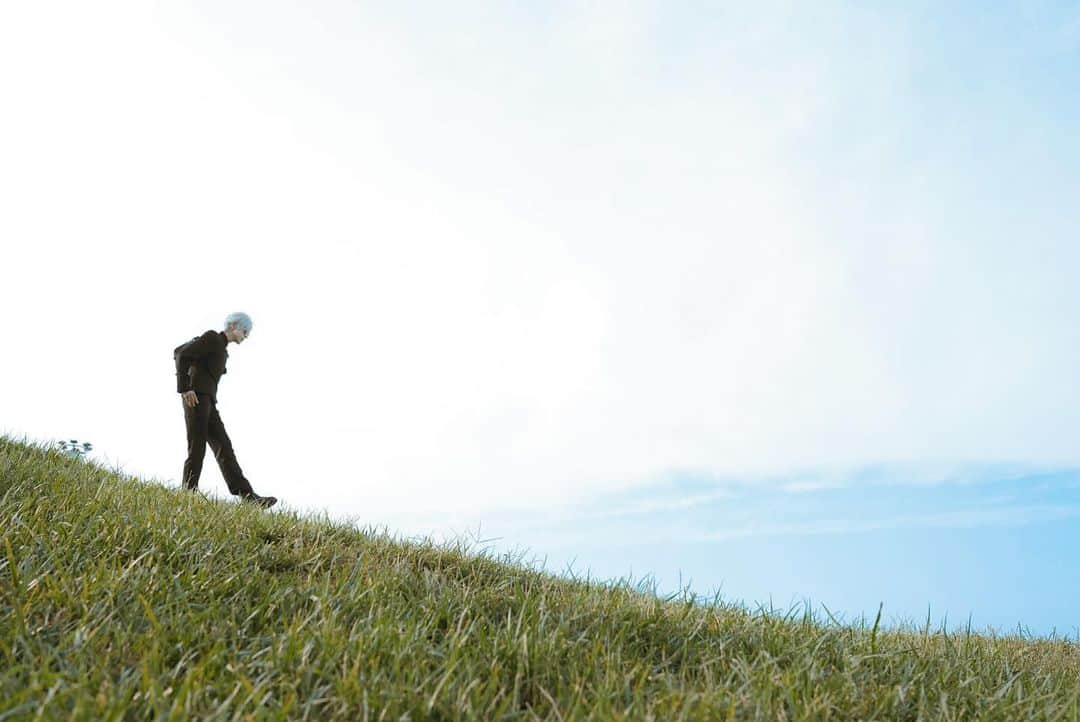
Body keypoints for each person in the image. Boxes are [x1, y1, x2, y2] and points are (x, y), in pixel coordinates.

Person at [175, 311, 278, 508]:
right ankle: (187, 493)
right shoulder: (213, 338)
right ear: (233, 326)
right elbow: (181, 353)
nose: (246, 336)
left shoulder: (221, 347)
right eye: (245, 331)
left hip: (208, 402)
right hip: (196, 398)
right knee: (197, 446)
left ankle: (248, 496)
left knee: (224, 446)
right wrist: (185, 388)